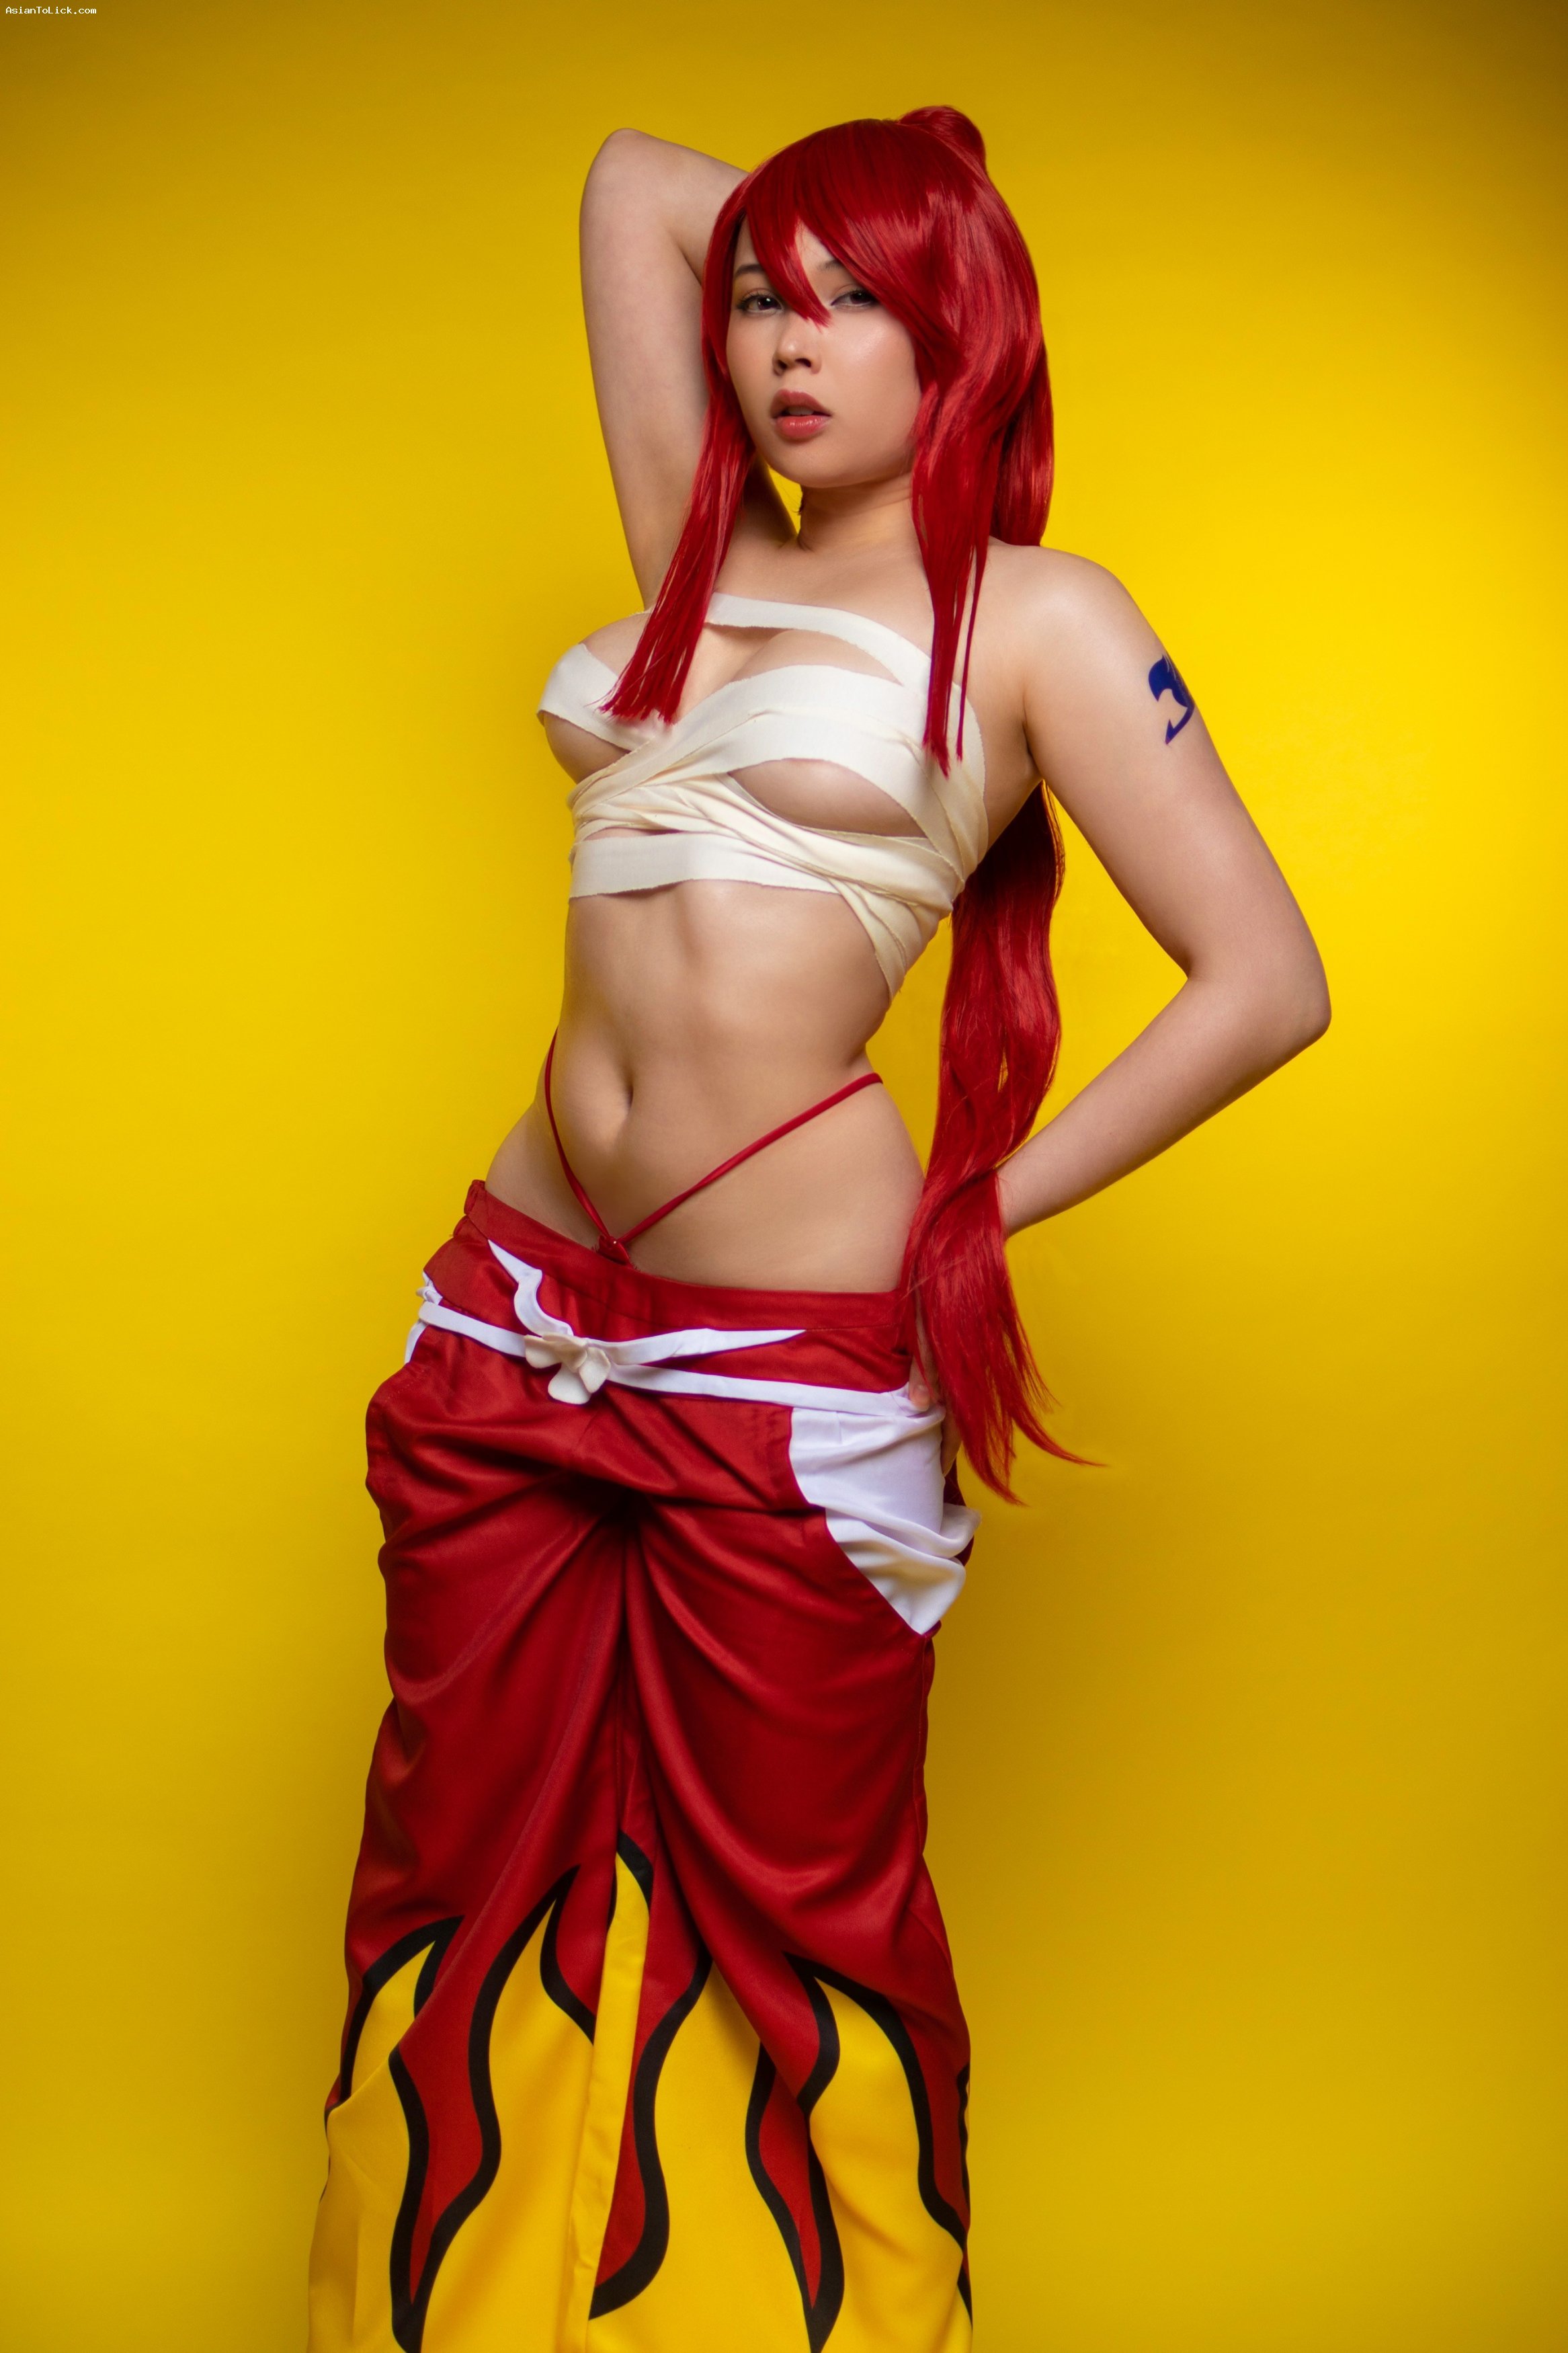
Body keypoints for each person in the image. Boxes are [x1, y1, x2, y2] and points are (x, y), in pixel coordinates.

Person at [306, 108, 1328, 2353]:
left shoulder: (1038, 619)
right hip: (516, 1303)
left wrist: (972, 1221)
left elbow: (1268, 979)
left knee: (793, 1909)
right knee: (456, 1851)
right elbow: (631, 182)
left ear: (964, 332)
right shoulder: (698, 548)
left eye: (861, 304)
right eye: (767, 296)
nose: (788, 341)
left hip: (785, 1362)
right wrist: (835, 224)